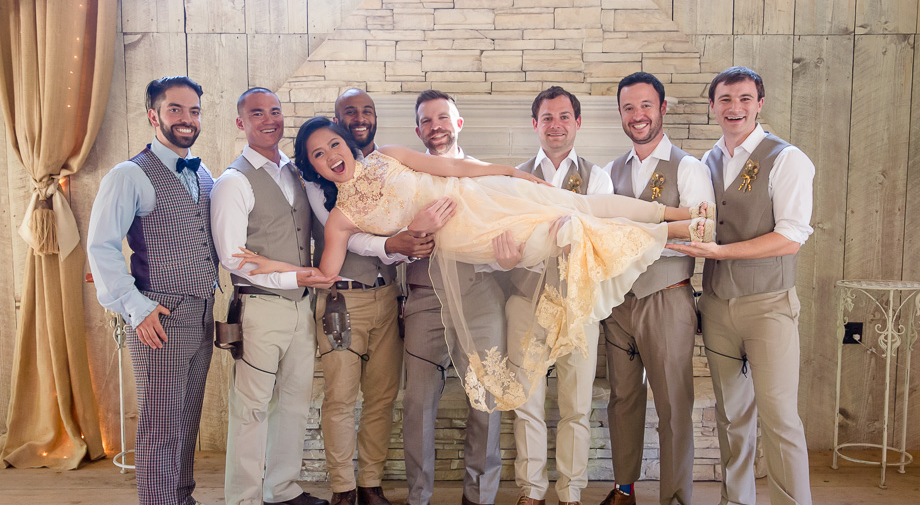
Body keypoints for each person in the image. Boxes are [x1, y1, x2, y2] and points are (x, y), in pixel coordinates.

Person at [238, 116, 712, 420]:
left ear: (348, 142)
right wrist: (264, 264)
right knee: (567, 231)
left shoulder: (390, 156)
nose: (332, 156)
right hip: (471, 236)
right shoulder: (342, 220)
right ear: (312, 165)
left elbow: (454, 171)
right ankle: (674, 234)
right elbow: (323, 275)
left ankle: (677, 217)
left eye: (335, 144)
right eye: (319, 154)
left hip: (487, 199)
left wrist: (510, 174)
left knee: (581, 203)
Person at [667, 66, 817, 505]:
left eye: (745, 98)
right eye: (725, 98)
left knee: (780, 417)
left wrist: (724, 254)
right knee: (733, 413)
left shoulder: (787, 159)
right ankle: (736, 503)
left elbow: (792, 235)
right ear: (713, 105)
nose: (735, 107)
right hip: (716, 304)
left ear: (760, 103)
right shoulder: (705, 161)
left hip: (768, 304)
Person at [87, 76, 226, 505]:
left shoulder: (203, 173)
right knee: (160, 426)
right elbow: (101, 247)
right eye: (175, 110)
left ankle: (182, 500)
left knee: (186, 416)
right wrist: (136, 307)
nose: (186, 118)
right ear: (154, 115)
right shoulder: (130, 174)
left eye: (194, 110)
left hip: (200, 310)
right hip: (158, 316)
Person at [588, 72, 715, 505]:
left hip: (667, 296)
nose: (637, 115)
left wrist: (635, 240)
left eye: (645, 106)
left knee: (673, 402)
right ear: (620, 114)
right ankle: (623, 489)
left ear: (662, 108)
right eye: (628, 108)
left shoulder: (688, 168)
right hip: (619, 302)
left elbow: (702, 232)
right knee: (622, 399)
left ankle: (677, 502)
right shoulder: (609, 172)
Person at [210, 88, 337, 505]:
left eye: (275, 111)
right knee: (251, 410)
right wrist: (297, 277)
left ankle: (280, 486)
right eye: (257, 113)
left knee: (296, 402)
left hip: (303, 307)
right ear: (241, 122)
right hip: (260, 307)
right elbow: (233, 257)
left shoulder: (295, 174)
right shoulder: (233, 182)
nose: (269, 120)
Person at [304, 89, 429, 505]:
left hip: (387, 297)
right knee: (340, 398)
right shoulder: (320, 180)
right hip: (343, 299)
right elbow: (353, 237)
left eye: (367, 111)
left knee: (381, 397)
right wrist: (392, 244)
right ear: (336, 122)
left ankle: (369, 485)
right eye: (349, 113)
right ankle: (341, 488)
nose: (359, 119)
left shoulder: (386, 167)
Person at [502, 86, 615, 505]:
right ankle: (531, 493)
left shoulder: (599, 178)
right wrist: (506, 258)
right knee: (526, 405)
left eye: (564, 116)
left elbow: (602, 237)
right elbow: (502, 246)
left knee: (576, 407)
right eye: (547, 117)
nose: (556, 125)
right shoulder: (512, 179)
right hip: (525, 303)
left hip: (579, 306)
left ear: (577, 122)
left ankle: (570, 497)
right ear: (536, 124)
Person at [401, 90, 506, 505]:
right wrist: (412, 232)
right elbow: (390, 242)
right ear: (418, 131)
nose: (436, 126)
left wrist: (505, 256)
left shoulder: (487, 178)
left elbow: (506, 242)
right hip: (425, 295)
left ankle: (479, 495)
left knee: (487, 397)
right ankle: (418, 496)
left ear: (458, 123)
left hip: (480, 295)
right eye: (427, 121)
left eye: (443, 117)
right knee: (419, 401)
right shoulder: (404, 179)